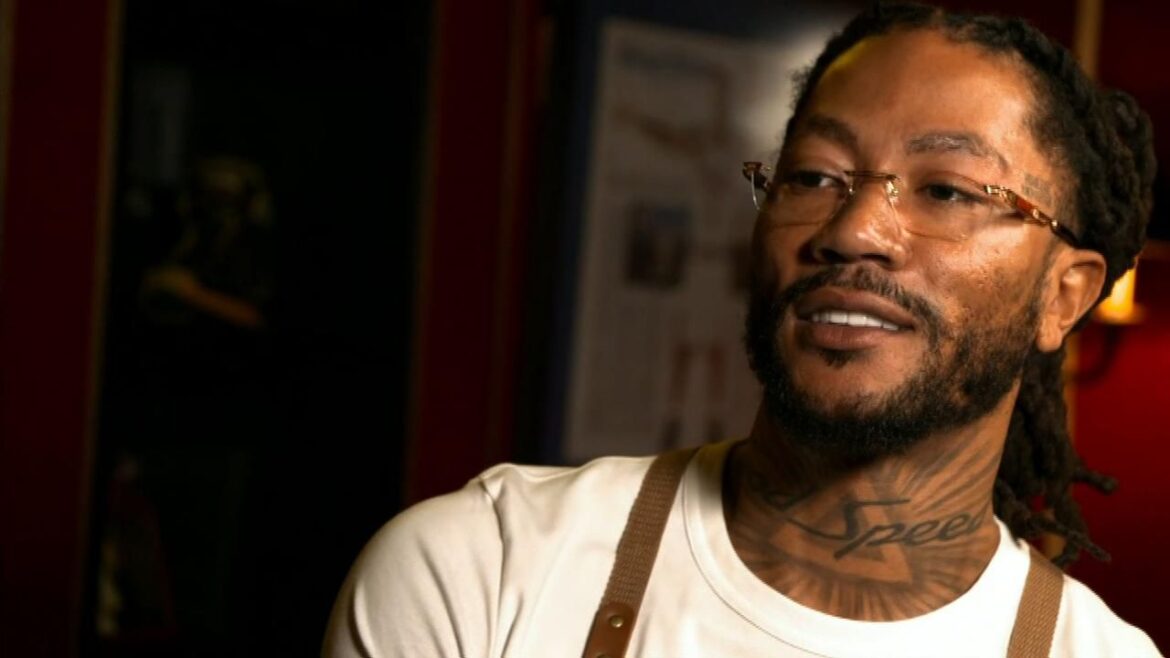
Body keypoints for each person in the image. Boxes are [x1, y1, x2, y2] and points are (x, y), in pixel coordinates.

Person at [323, 3, 1163, 656]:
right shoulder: (483, 569)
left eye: (946, 190)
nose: (853, 230)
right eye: (814, 176)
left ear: (1064, 296)